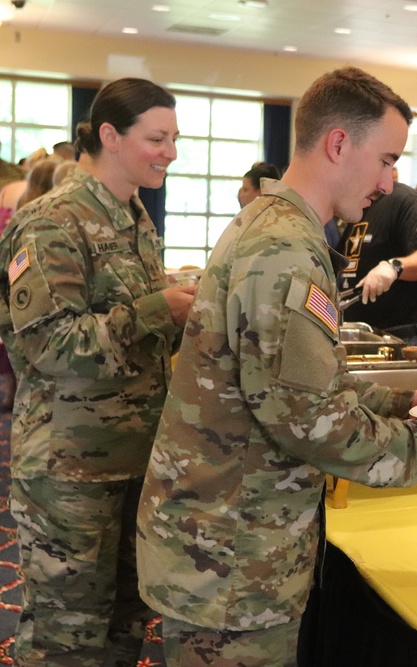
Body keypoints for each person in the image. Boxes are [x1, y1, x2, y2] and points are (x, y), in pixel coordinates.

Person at [135, 67, 417, 666]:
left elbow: (308, 383)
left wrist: (408, 402)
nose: (390, 182)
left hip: (223, 539)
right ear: (337, 144)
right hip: (232, 559)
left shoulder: (276, 225)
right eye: (385, 160)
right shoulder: (285, 251)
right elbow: (313, 424)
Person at [0, 77, 197, 667]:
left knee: (124, 625)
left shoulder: (131, 212)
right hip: (69, 472)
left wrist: (174, 298)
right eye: (157, 138)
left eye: (174, 139)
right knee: (66, 639)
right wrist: (163, 306)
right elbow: (51, 347)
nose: (171, 152)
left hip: (131, 459)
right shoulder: (51, 222)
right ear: (110, 135)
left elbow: (119, 315)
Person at [336, 181, 417, 345]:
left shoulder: (405, 200)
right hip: (363, 334)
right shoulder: (360, 205)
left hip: (404, 339)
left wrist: (394, 267)